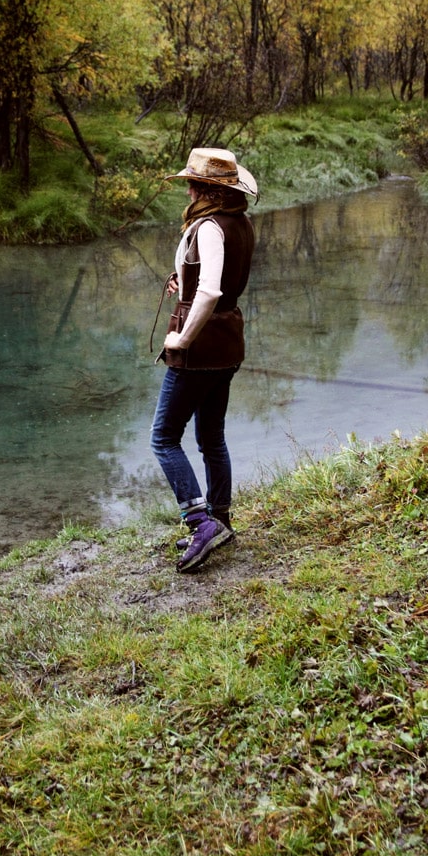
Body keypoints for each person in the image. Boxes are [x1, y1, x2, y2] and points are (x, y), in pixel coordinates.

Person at [151, 146, 257, 574]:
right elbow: (216, 282)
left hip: (201, 347)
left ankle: (199, 522)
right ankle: (221, 519)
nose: (189, 190)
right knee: (211, 437)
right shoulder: (239, 222)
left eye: (193, 184)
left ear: (203, 188)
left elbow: (210, 292)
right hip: (229, 340)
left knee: (163, 438)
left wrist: (180, 338)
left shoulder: (210, 226)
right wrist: (183, 277)